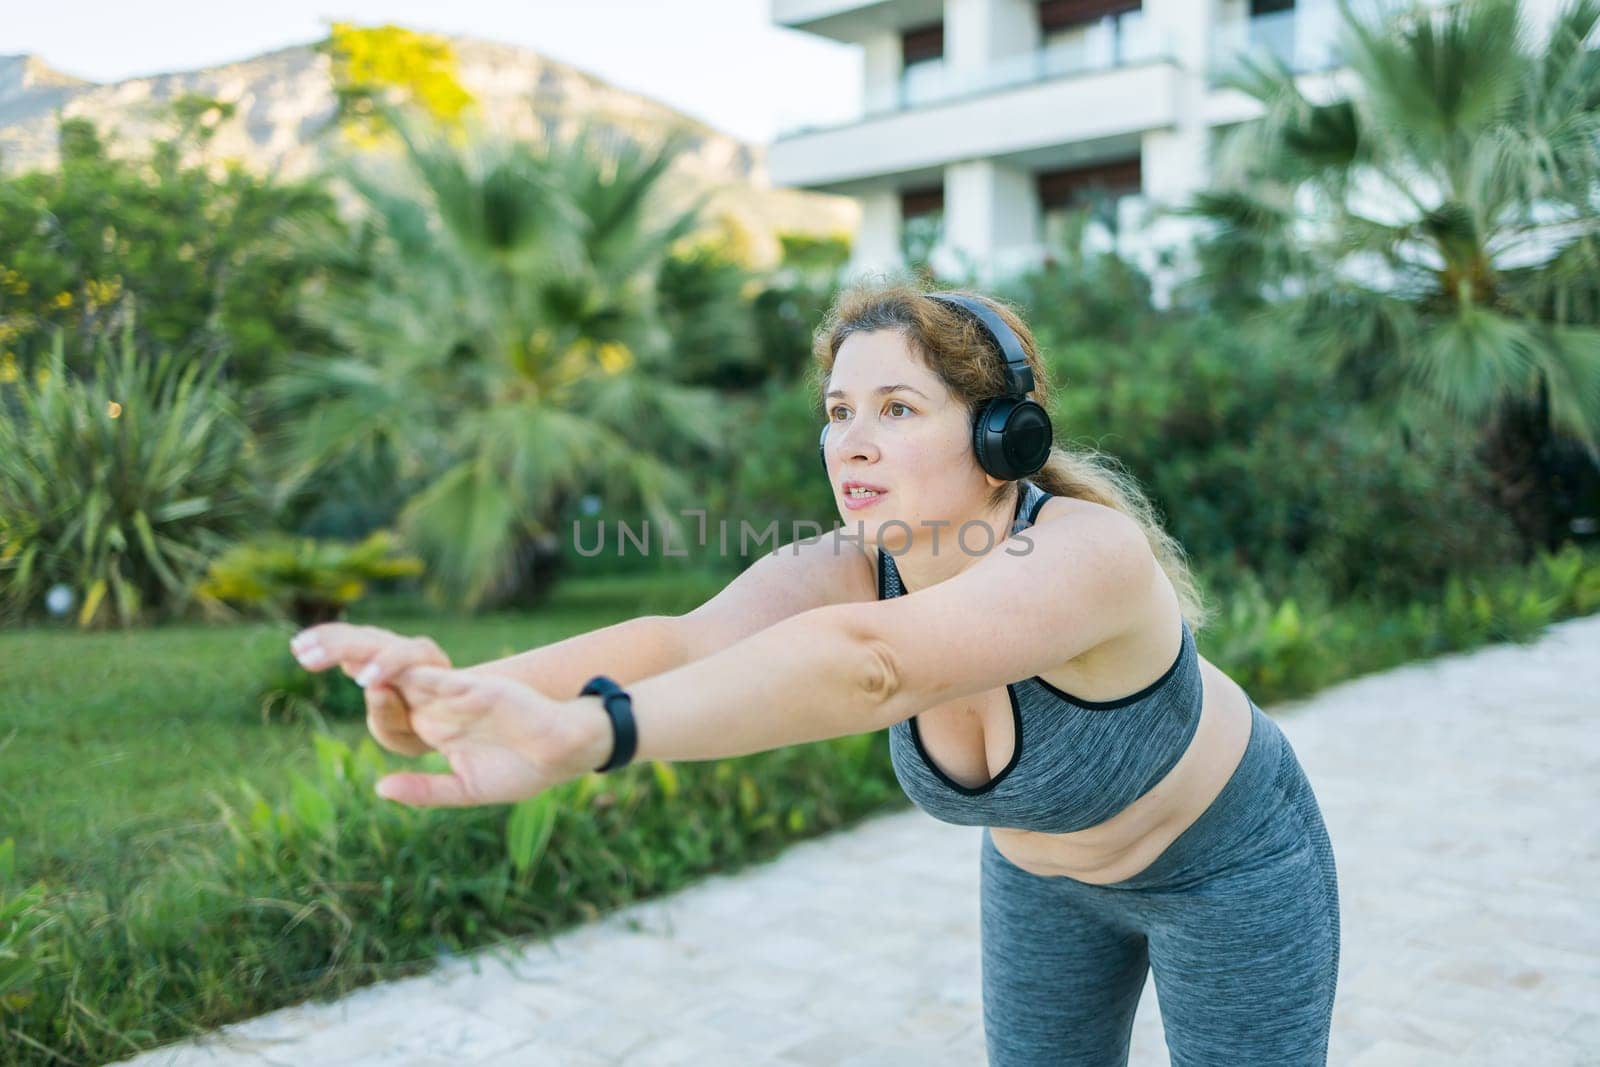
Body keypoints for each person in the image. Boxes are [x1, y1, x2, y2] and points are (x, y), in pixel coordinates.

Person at [289, 280, 1341, 1065]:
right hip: (1043, 882)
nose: (852, 441)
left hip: (1226, 869)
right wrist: (460, 697)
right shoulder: (846, 563)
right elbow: (683, 641)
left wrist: (597, 731)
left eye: (895, 408)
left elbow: (872, 665)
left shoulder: (1085, 554)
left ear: (998, 435)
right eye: (838, 411)